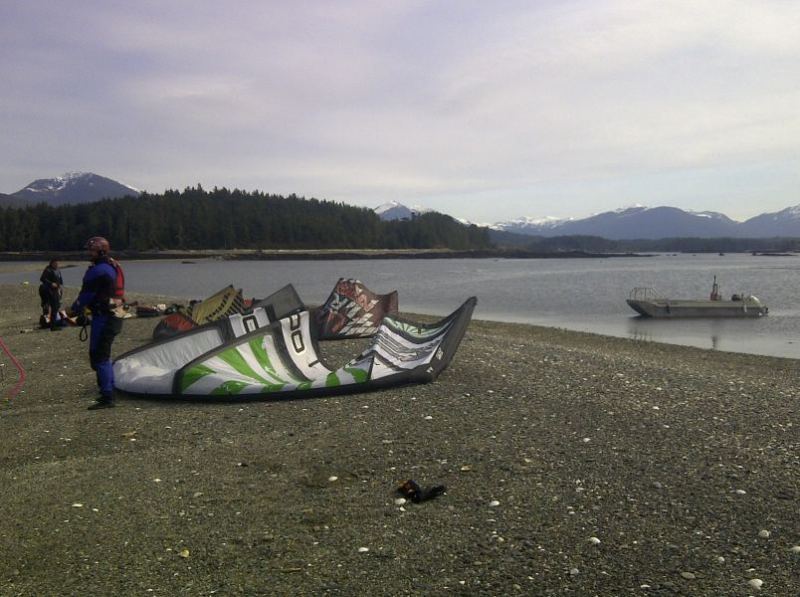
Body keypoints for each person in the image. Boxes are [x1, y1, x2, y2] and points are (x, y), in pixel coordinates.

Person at [70, 237, 123, 410]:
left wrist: (75, 310)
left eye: (91, 250)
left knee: (99, 357)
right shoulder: (111, 266)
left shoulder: (98, 270)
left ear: (100, 251)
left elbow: (86, 295)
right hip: (112, 315)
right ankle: (109, 391)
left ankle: (108, 396)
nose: (89, 253)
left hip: (105, 317)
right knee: (102, 355)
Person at [39, 259, 64, 331]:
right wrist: (51, 283)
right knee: (48, 305)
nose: (57, 265)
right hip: (47, 290)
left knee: (56, 306)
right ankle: (49, 324)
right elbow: (42, 279)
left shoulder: (58, 270)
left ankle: (52, 324)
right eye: (55, 263)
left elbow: (60, 281)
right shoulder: (48, 270)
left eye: (57, 263)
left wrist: (60, 289)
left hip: (56, 290)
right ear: (52, 263)